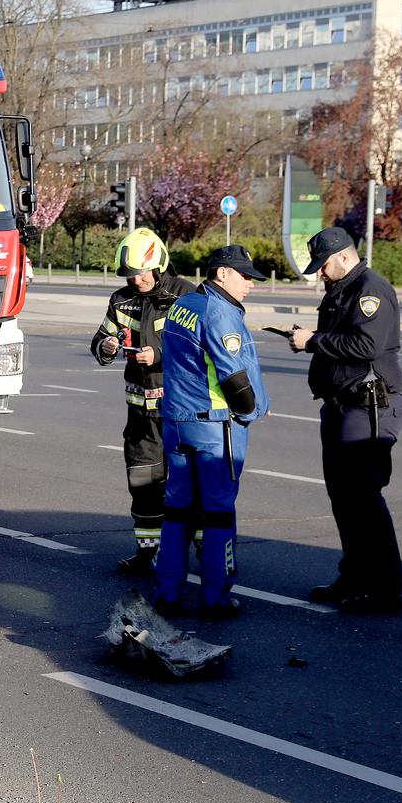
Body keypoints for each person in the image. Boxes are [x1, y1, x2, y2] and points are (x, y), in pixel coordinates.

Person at [289, 227, 402, 614]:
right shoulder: (340, 289)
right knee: (344, 498)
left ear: (344, 255)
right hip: (342, 404)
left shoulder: (370, 289)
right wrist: (313, 340)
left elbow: (366, 346)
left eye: (323, 265)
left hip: (369, 406)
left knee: (364, 498)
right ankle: (355, 577)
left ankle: (386, 590)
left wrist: (312, 341)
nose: (320, 273)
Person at [153, 245, 270, 617]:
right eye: (244, 276)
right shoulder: (220, 313)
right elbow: (234, 377)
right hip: (215, 426)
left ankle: (168, 593)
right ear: (222, 274)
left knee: (177, 511)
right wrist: (250, 412)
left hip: (177, 423)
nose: (250, 284)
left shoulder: (185, 305)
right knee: (219, 513)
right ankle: (216, 598)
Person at [91, 227, 189, 575]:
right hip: (140, 419)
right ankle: (148, 553)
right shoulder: (121, 300)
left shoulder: (184, 295)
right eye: (131, 274)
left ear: (160, 265)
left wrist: (158, 353)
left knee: (185, 486)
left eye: (143, 272)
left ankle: (196, 556)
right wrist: (106, 347)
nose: (137, 279)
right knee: (144, 486)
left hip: (180, 416)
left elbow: (199, 344)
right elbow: (101, 338)